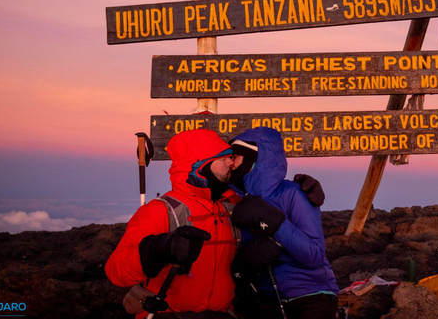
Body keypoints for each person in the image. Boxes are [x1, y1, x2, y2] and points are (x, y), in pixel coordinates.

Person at [105, 128, 326, 319]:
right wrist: (157, 249)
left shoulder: (233, 206)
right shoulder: (162, 210)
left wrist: (304, 191)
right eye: (224, 158)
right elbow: (116, 271)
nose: (232, 162)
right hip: (169, 313)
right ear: (200, 166)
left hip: (223, 313)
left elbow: (269, 198)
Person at [228, 127, 338, 319]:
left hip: (310, 295)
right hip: (266, 298)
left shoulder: (292, 193)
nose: (231, 163)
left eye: (236, 157)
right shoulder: (237, 202)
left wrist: (275, 224)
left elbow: (315, 255)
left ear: (255, 158)